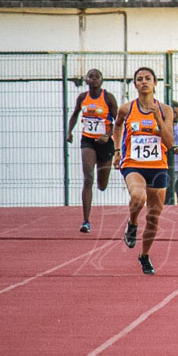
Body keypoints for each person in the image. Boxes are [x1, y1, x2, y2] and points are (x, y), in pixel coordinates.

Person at [111, 66, 174, 275]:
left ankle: (144, 255)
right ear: (135, 84)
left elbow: (170, 142)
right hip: (133, 164)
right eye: (139, 79)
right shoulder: (126, 108)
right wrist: (117, 150)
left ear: (155, 83)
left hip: (158, 166)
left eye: (148, 78)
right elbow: (117, 125)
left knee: (154, 217)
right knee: (138, 197)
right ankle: (132, 223)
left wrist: (158, 120)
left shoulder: (165, 110)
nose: (144, 82)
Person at [65, 68, 118, 233]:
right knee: (88, 177)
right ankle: (86, 221)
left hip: (106, 143)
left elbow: (119, 121)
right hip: (88, 140)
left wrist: (108, 135)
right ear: (86, 80)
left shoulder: (108, 97)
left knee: (102, 185)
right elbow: (74, 115)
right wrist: (69, 131)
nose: (93, 79)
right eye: (90, 76)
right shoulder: (82, 97)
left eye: (97, 77)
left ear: (102, 80)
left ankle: (101, 184)